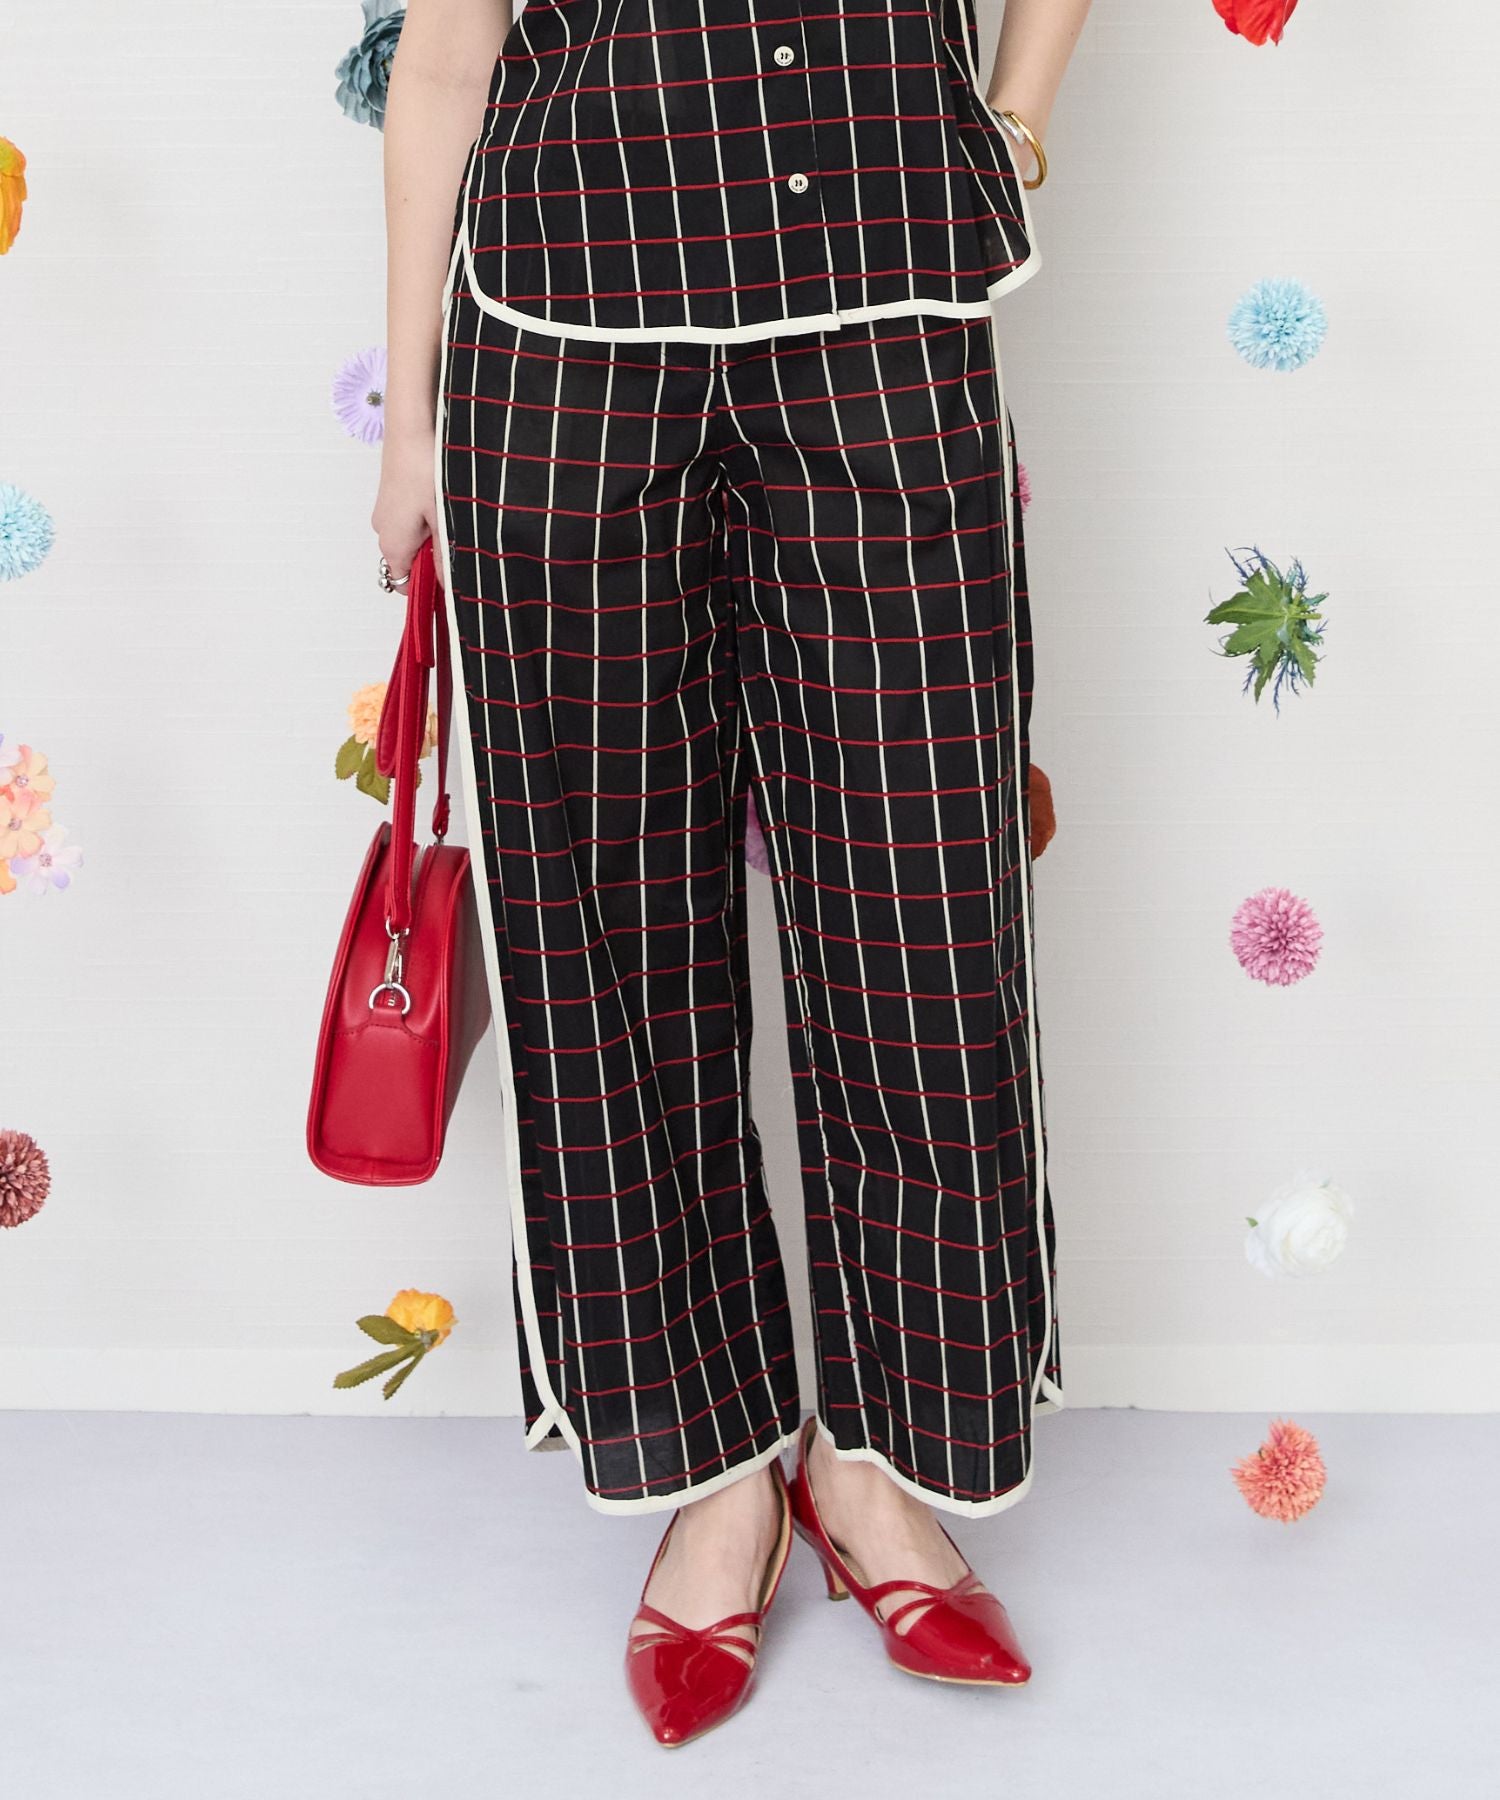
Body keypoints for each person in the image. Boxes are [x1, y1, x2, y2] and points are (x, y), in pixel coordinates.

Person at [373, 0, 1091, 1749]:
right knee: (604, 916)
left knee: (921, 900)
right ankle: (714, 1477)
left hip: (884, 302)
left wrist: (1010, 121)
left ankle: (883, 1465)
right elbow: (449, 55)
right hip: (564, 325)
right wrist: (411, 426)